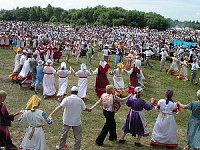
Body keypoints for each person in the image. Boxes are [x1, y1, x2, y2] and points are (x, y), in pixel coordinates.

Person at [49, 86, 89, 150]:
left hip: (67, 120)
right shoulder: (80, 100)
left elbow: (60, 107)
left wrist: (52, 113)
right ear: (77, 92)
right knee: (77, 137)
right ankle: (77, 148)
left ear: (71, 92)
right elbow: (84, 108)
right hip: (76, 121)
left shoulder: (67, 99)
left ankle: (61, 147)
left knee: (63, 136)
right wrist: (88, 109)